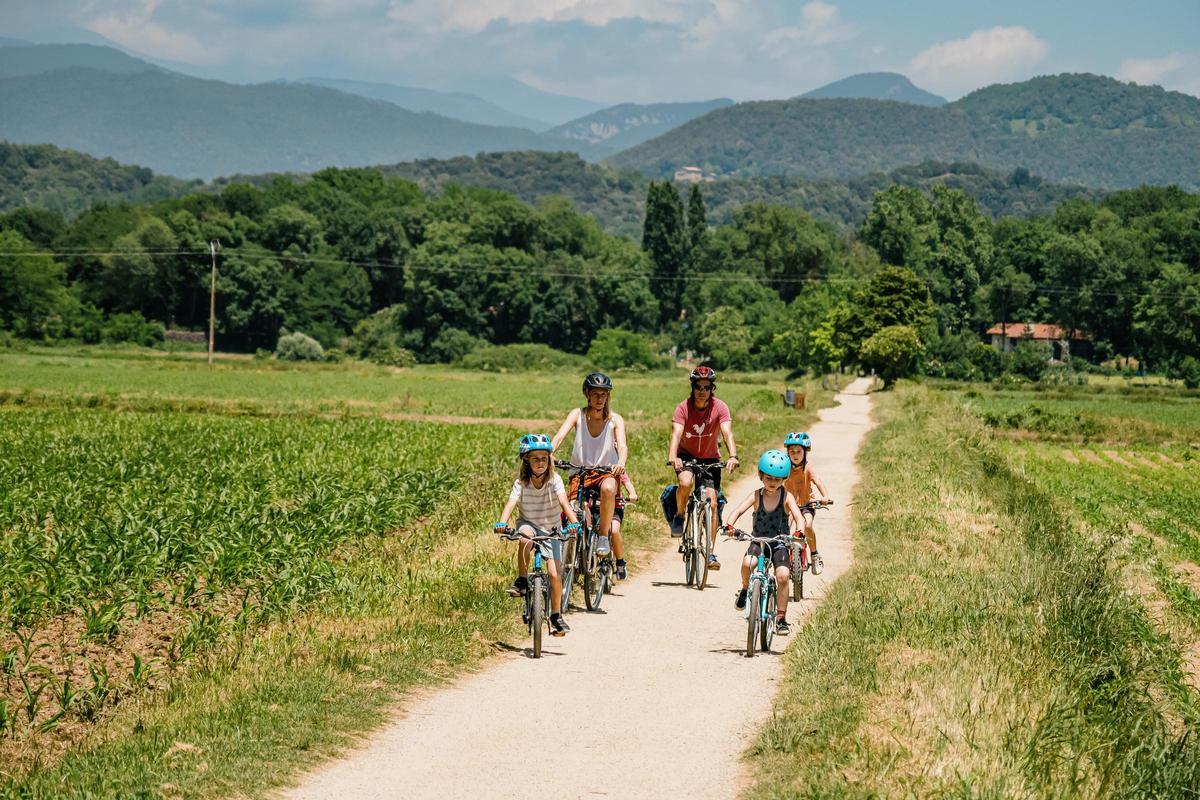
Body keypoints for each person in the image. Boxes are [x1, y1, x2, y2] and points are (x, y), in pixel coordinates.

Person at [494, 433, 580, 637]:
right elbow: (511, 504)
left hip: (552, 529)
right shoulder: (521, 483)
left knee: (554, 574)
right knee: (523, 538)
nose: (540, 463)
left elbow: (564, 503)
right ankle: (523, 580)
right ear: (526, 460)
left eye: (544, 458)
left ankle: (556, 615)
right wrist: (502, 523)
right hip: (529, 524)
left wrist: (574, 523)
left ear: (550, 459)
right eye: (535, 458)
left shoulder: (555, 480)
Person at [551, 372, 630, 580]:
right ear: (587, 394)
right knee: (574, 511)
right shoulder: (577, 415)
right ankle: (573, 558)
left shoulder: (615, 420)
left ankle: (603, 537)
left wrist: (620, 464)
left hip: (606, 472)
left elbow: (622, 445)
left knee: (608, 489)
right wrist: (548, 453)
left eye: (603, 394)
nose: (599, 398)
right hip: (580, 471)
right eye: (595, 394)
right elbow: (560, 436)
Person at [723, 450, 804, 635]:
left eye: (777, 479)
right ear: (761, 476)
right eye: (768, 478)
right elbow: (737, 510)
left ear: (784, 479)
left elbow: (798, 517)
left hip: (779, 543)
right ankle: (745, 589)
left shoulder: (786, 497)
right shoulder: (756, 496)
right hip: (758, 542)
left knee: (783, 575)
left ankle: (781, 618)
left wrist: (798, 531)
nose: (772, 482)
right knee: (747, 564)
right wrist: (730, 525)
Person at [667, 365, 739, 571]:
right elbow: (676, 434)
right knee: (685, 482)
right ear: (692, 387)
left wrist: (732, 455)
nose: (702, 391)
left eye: (707, 387)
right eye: (698, 386)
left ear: (712, 389)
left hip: (710, 459)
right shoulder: (683, 408)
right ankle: (680, 515)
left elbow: (727, 433)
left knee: (713, 502)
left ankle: (710, 552)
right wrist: (673, 456)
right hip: (686, 457)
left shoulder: (720, 407)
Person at [783, 431, 831, 575]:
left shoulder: (808, 468)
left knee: (807, 525)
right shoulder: (784, 466)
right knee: (784, 529)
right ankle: (782, 558)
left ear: (805, 452)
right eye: (792, 452)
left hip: (806, 505)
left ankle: (814, 555)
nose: (795, 454)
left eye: (799, 451)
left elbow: (818, 482)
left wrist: (825, 496)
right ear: (787, 453)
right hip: (790, 506)